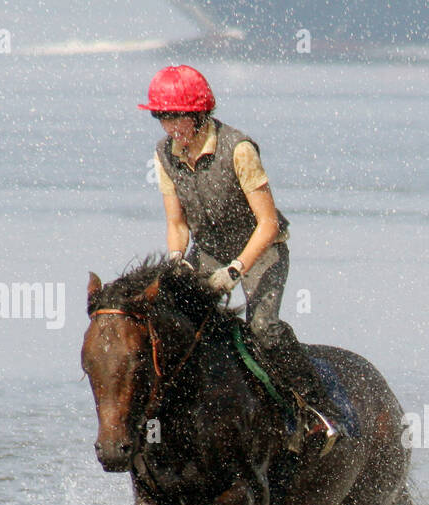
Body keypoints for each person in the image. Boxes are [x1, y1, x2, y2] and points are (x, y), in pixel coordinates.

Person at [139, 64, 338, 453]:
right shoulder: (164, 154)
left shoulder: (239, 149)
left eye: (175, 117)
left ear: (197, 114)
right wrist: (178, 259)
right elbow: (176, 224)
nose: (169, 127)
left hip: (261, 251)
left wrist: (235, 270)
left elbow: (266, 224)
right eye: (161, 117)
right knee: (167, 320)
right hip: (208, 253)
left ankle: (316, 410)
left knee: (262, 329)